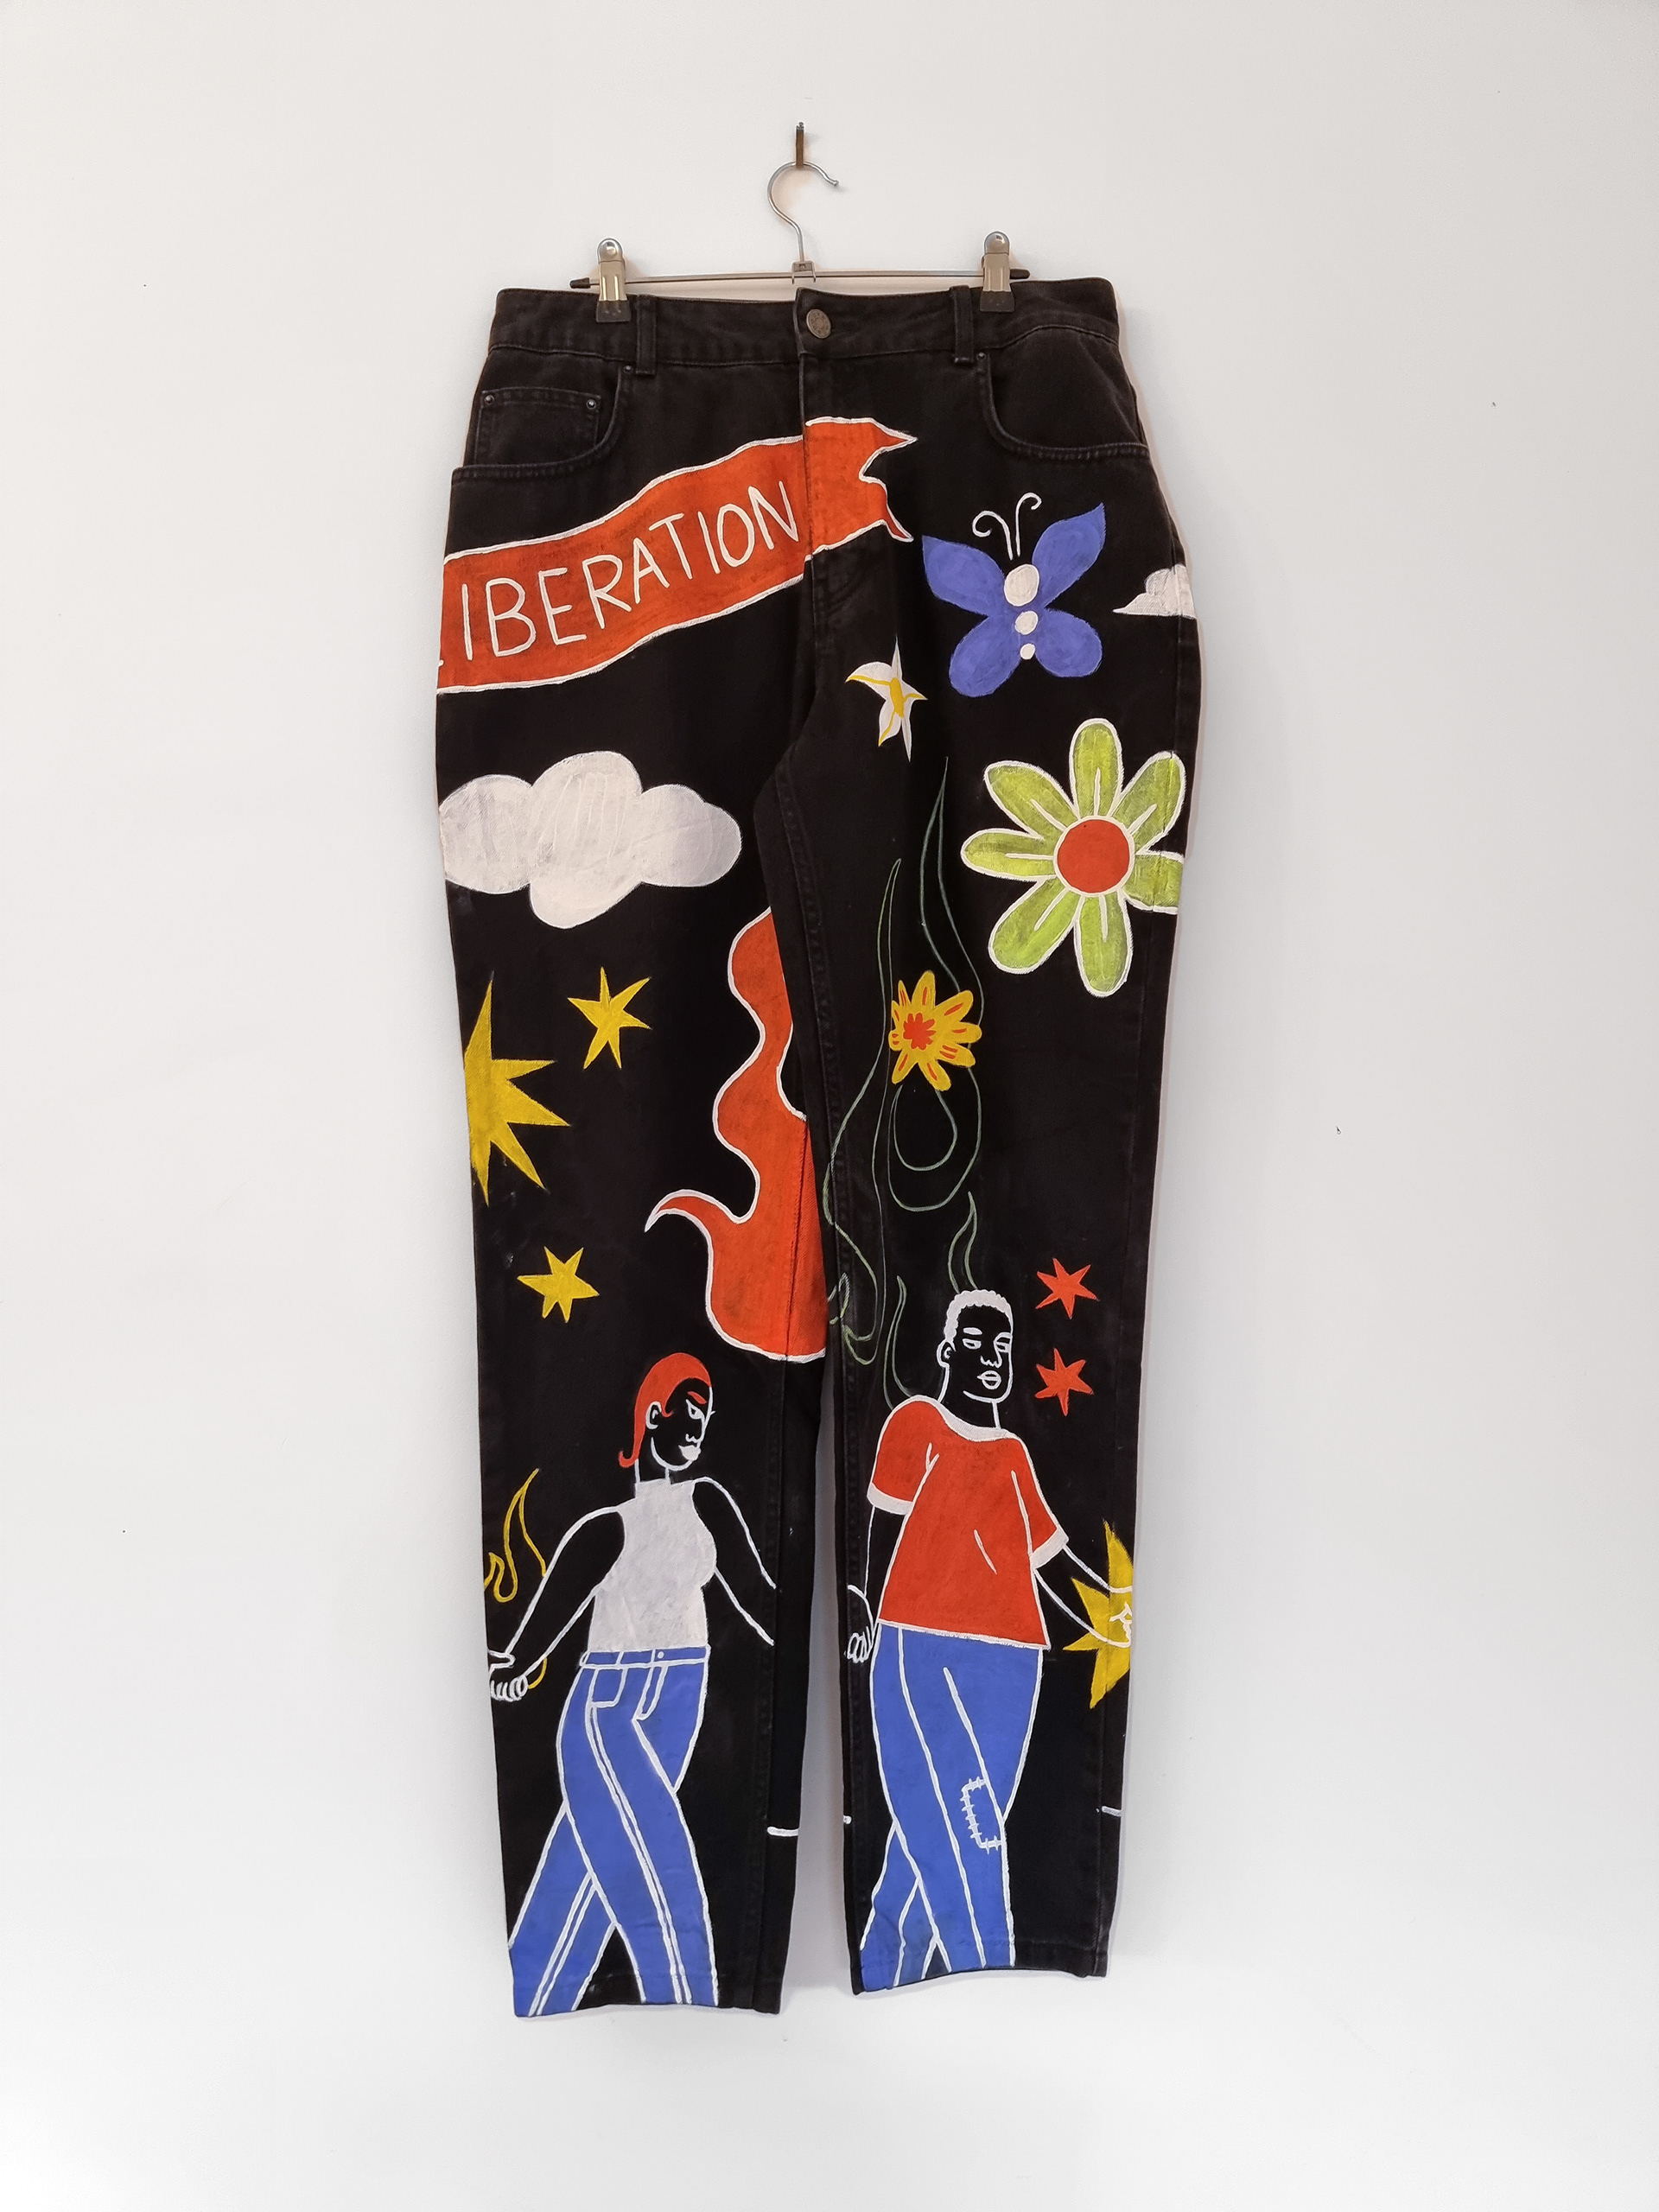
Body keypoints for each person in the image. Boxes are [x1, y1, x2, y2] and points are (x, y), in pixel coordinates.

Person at [488, 1353, 772, 2014]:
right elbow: (548, 1617)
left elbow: (763, 1600)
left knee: (579, 1882)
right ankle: (697, 2008)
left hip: (678, 1708)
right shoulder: (610, 1527)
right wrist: (516, 1667)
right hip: (609, 1712)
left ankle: (540, 1990)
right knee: (666, 1881)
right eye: (688, 1413)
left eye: (706, 1417)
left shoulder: (706, 1504)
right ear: (653, 1415)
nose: (699, 1429)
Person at [849, 1290, 1066, 1986]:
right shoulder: (916, 1423)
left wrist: (1106, 1613)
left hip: (1014, 1660)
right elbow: (882, 1523)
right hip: (920, 1642)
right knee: (972, 1825)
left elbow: (1049, 1560)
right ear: (947, 1352)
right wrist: (862, 1606)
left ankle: (887, 1963)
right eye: (976, 1344)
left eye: (1002, 1347)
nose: (992, 1358)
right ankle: (988, 1966)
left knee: (951, 1825)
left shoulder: (1013, 1454)